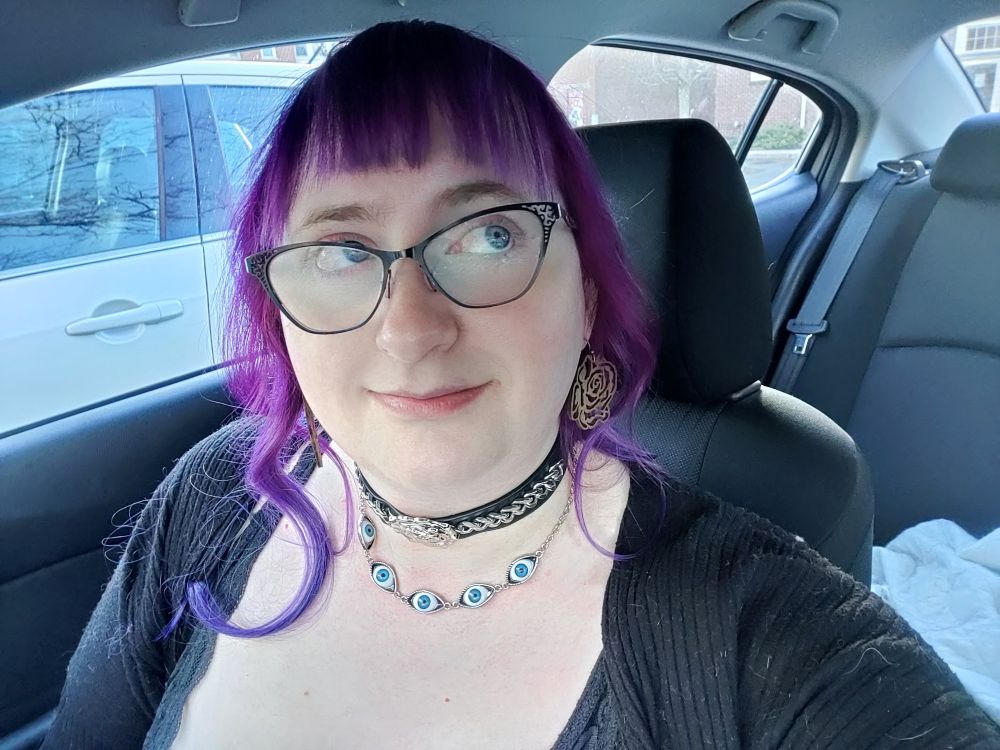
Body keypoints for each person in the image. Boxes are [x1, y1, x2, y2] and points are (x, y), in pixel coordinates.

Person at [42, 20, 1000, 750]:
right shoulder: (215, 497)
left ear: (584, 297)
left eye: (488, 235)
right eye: (338, 249)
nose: (410, 329)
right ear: (279, 309)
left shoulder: (768, 637)